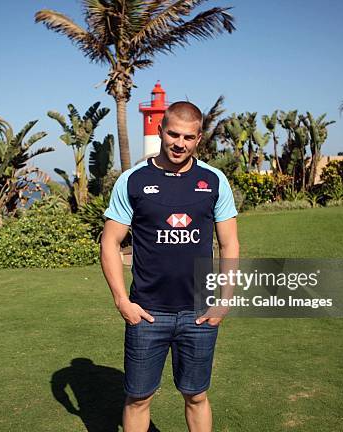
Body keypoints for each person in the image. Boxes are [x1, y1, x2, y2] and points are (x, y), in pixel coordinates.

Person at [100, 101, 239, 432]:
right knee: (138, 399)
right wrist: (122, 301)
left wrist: (225, 300)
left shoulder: (214, 180)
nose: (180, 143)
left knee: (196, 396)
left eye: (188, 137)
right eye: (173, 134)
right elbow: (109, 242)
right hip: (147, 312)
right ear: (160, 130)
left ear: (199, 138)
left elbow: (229, 243)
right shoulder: (133, 181)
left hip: (199, 312)